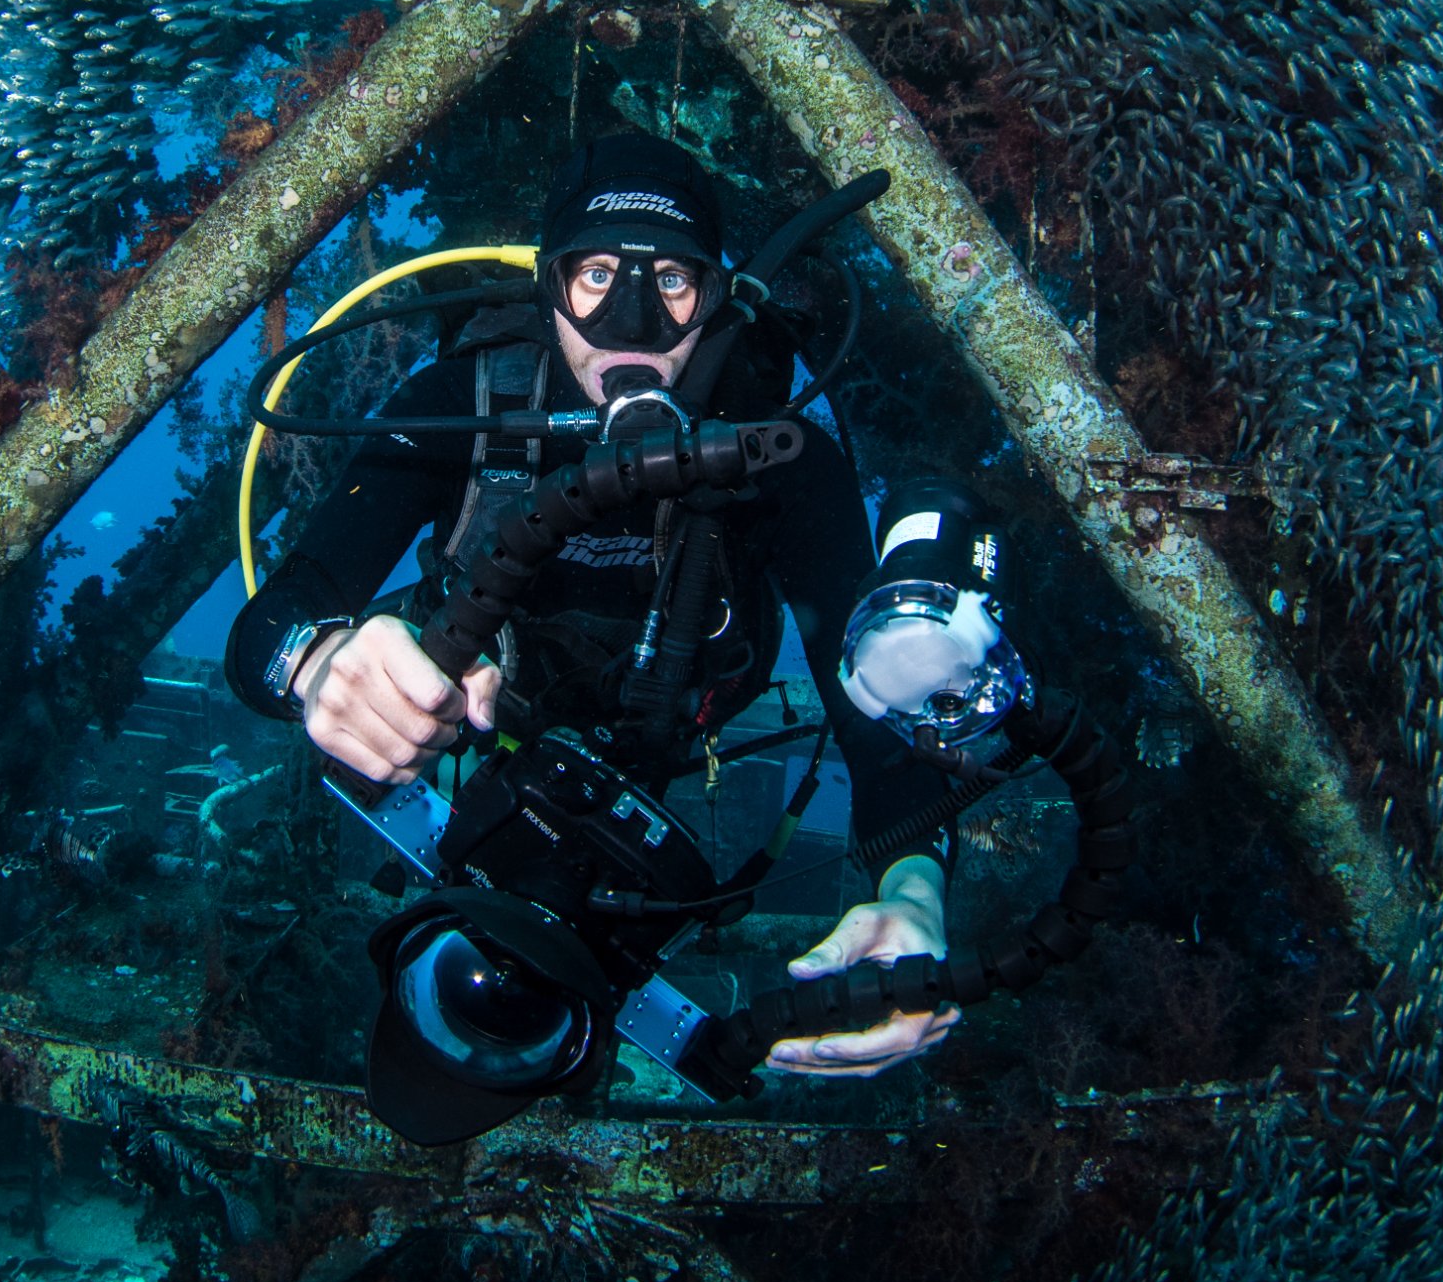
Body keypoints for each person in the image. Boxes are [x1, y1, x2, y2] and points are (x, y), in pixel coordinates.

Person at [227, 130, 960, 1079]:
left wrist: (916, 890)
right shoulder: (460, 406)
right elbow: (269, 626)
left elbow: (875, 707)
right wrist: (320, 666)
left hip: (674, 723)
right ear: (549, 286)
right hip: (495, 720)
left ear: (718, 297)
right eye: (598, 276)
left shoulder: (780, 456)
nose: (632, 323)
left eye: (675, 285)